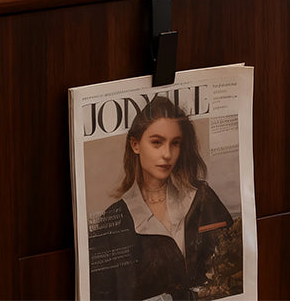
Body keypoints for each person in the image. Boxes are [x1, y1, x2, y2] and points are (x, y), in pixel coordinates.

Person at [89, 96, 236, 301]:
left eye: (175, 143)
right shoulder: (114, 220)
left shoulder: (202, 197)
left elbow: (233, 270)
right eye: (157, 142)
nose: (167, 154)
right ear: (135, 144)